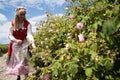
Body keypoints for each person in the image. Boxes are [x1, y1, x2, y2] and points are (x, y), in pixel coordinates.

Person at [6, 6, 36, 80]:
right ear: (17, 15)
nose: (23, 16)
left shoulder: (27, 24)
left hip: (24, 44)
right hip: (16, 45)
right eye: (21, 14)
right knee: (17, 60)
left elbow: (29, 34)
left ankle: (26, 76)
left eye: (24, 14)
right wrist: (16, 40)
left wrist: (32, 43)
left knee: (25, 59)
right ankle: (18, 76)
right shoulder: (13, 23)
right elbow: (10, 35)